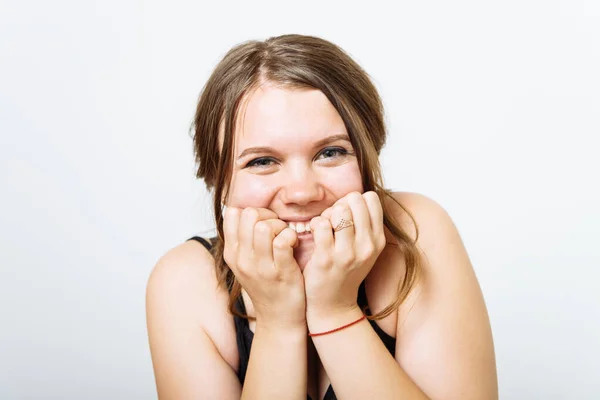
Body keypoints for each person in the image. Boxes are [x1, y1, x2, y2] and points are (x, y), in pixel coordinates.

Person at [145, 34, 498, 400]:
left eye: (330, 152)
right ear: (218, 177)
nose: (302, 193)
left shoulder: (417, 231)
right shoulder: (184, 282)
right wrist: (278, 323)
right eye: (262, 161)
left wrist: (336, 312)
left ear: (366, 155)